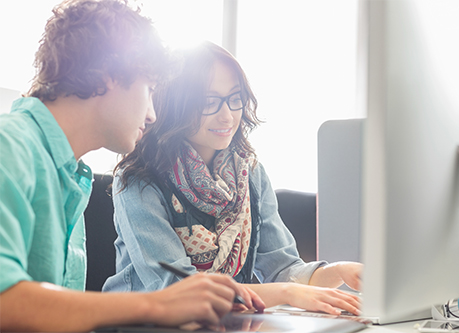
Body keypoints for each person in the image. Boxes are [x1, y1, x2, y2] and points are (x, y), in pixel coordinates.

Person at [0, 2, 264, 332]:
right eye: (150, 90)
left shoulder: (66, 173)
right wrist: (157, 303)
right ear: (110, 73)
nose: (153, 114)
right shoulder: (9, 146)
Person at [103, 41, 363, 316]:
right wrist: (288, 293)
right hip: (141, 324)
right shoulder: (137, 181)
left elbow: (282, 269)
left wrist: (339, 272)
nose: (227, 115)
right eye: (209, 102)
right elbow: (180, 290)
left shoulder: (249, 172)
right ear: (176, 103)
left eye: (235, 99)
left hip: (227, 322)